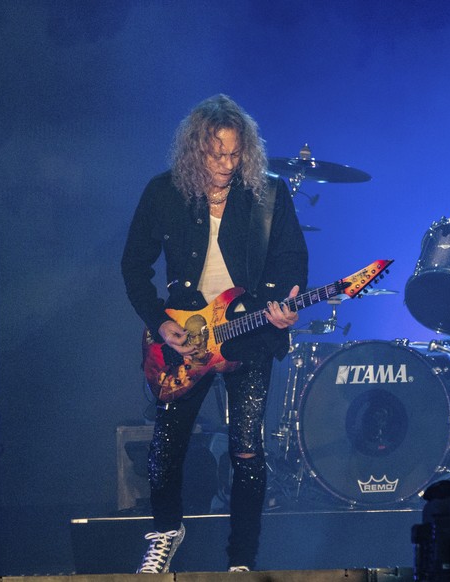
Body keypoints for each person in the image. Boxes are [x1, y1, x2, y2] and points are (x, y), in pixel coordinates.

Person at [121, 94, 308, 573]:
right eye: (215, 154)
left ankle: (241, 559)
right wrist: (159, 323)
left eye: (234, 154)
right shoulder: (164, 192)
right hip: (184, 337)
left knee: (247, 447)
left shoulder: (268, 194)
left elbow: (292, 260)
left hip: (247, 334)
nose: (226, 164)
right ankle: (165, 531)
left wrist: (285, 305)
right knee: (167, 446)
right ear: (194, 151)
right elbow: (133, 266)